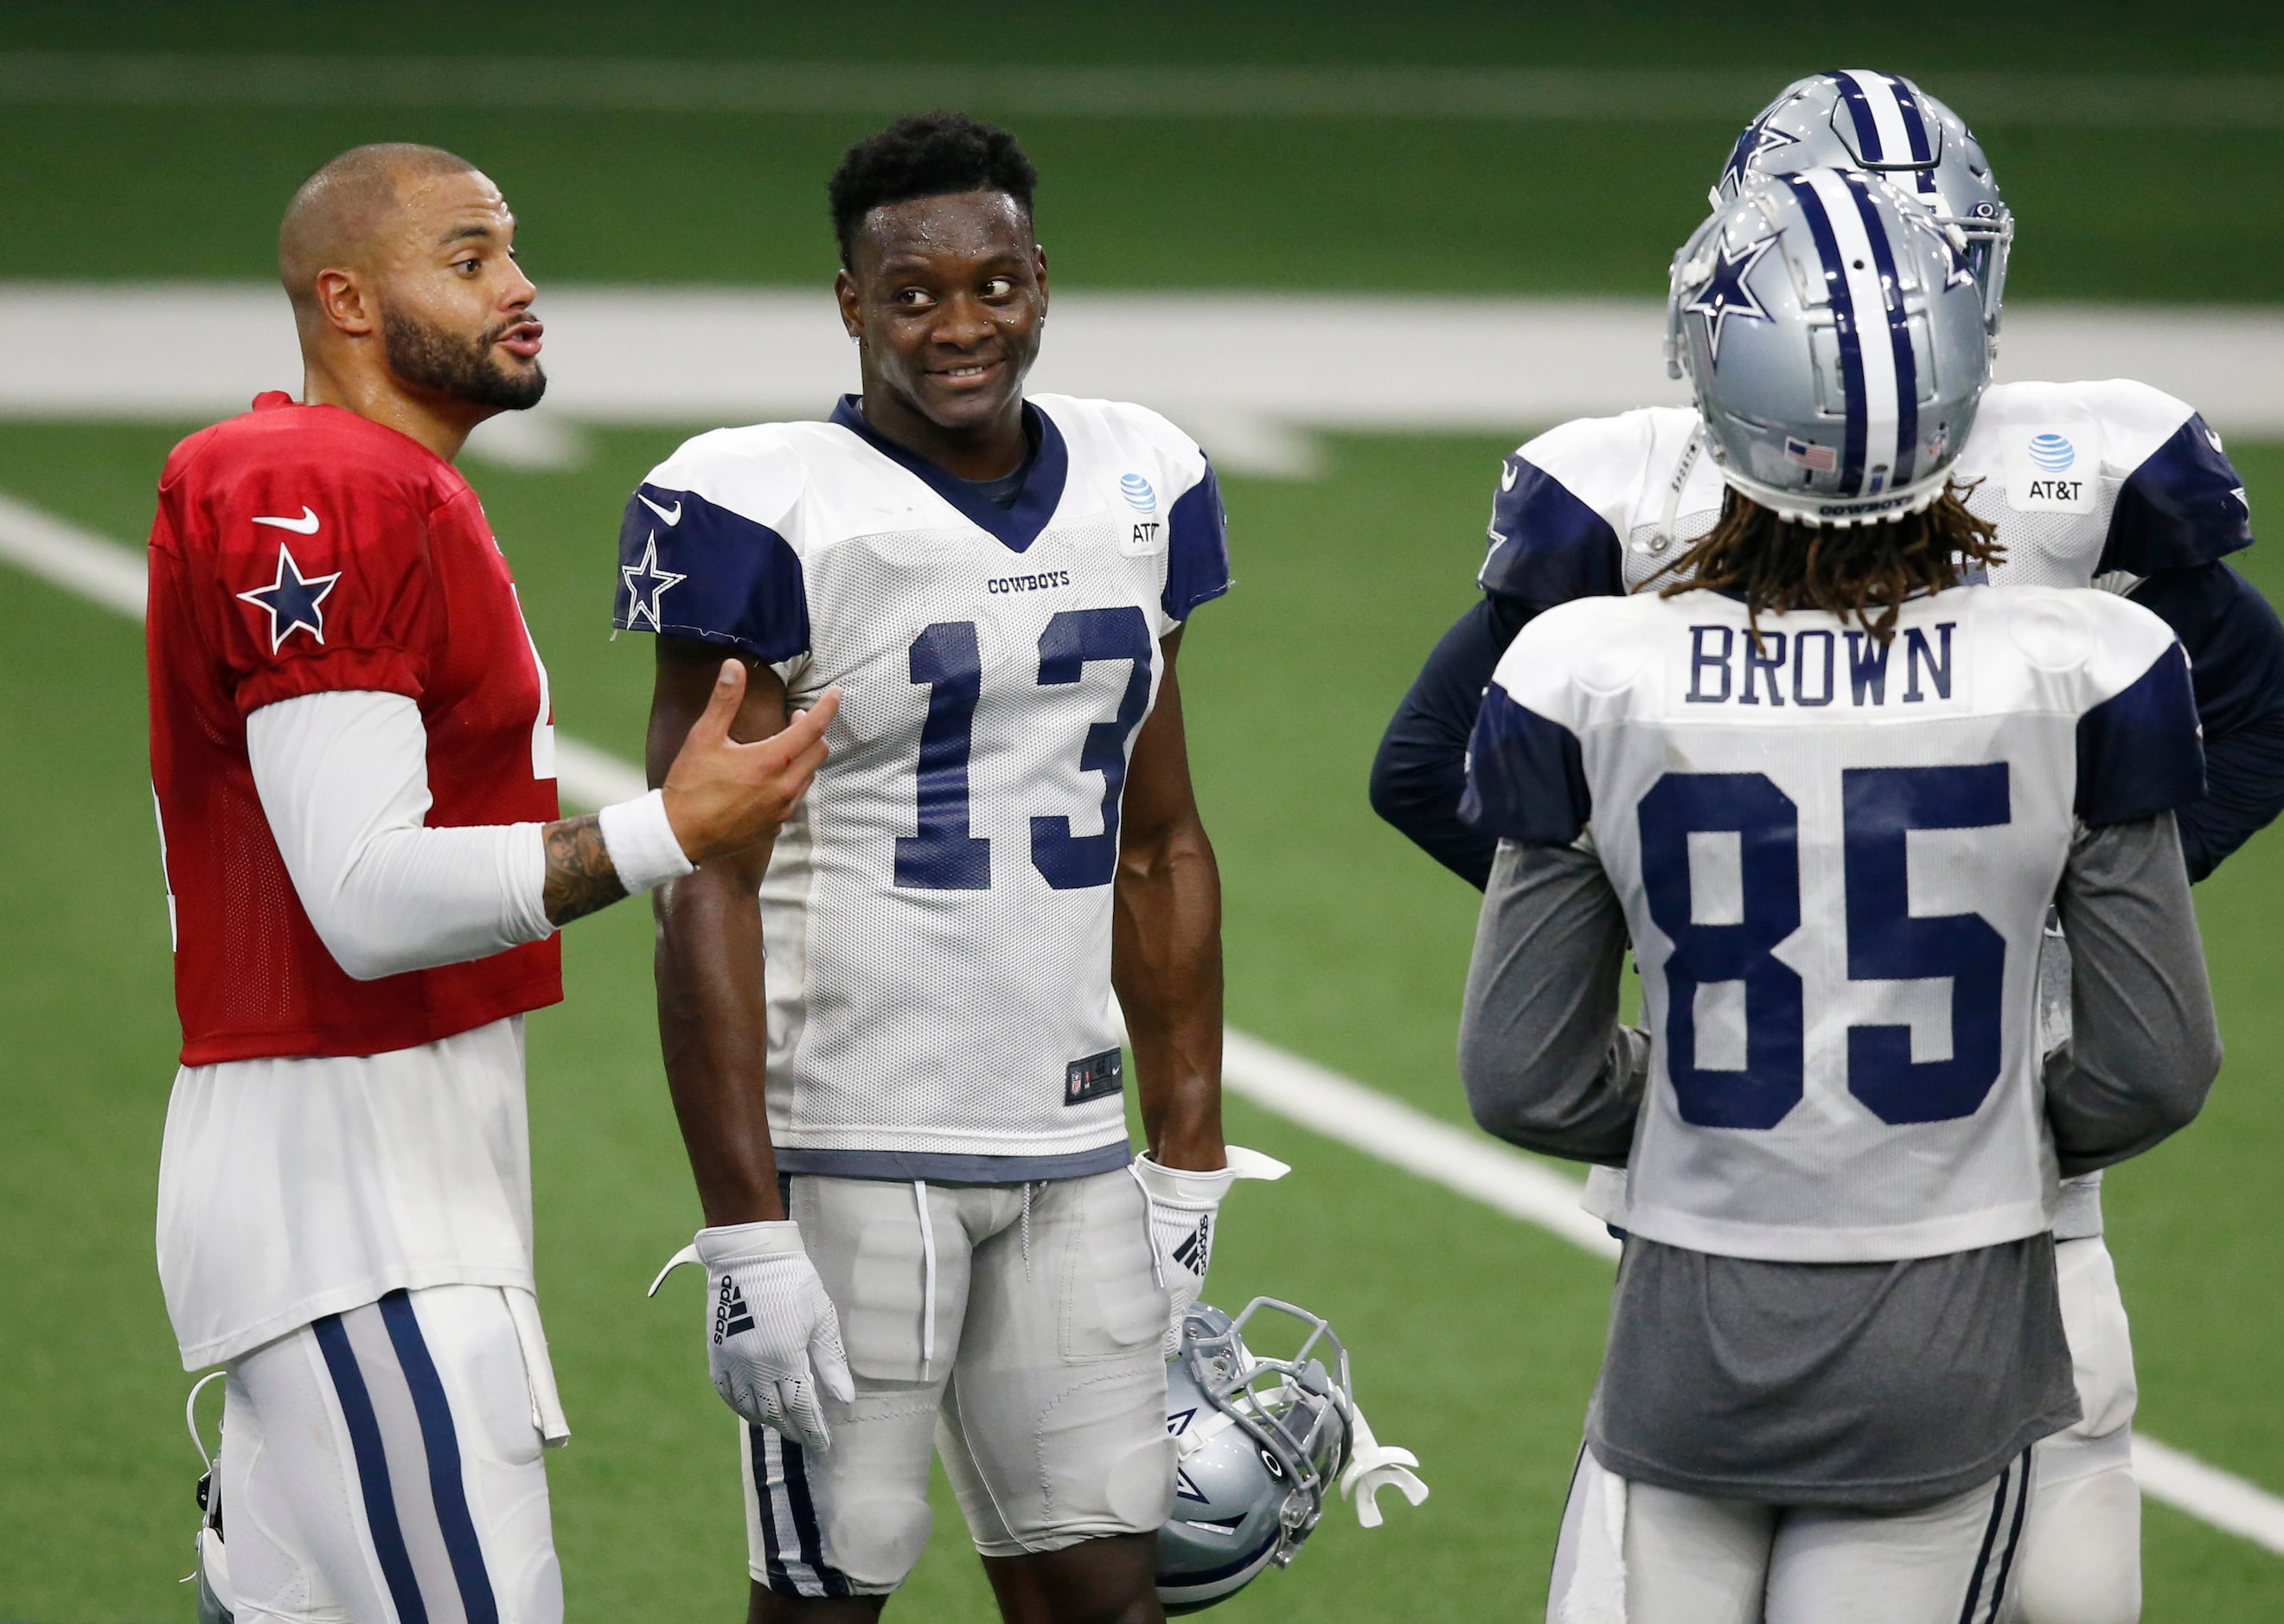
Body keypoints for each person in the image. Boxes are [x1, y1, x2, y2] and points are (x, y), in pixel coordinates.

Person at [1370, 72, 2284, 1622]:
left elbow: (1428, 775)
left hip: (1737, 1221)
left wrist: (1712, 954)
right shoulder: (2081, 623)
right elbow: (2242, 732)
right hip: (1985, 1202)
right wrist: (2017, 927)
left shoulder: (1616, 557)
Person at [150, 143, 835, 1624]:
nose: (520, 287)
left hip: (397, 1174)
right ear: (345, 299)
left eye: (511, 252)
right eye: (467, 261)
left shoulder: (387, 484)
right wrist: (671, 828)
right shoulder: (309, 480)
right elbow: (364, 894)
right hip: (345, 1194)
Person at [614, 113, 1279, 1623]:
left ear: (1041, 281)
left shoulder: (1144, 476)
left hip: (1067, 1145)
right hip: (850, 1137)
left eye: (992, 285)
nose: (959, 323)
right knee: (833, 1587)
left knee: (1104, 1593)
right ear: (850, 303)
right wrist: (743, 1224)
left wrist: (1185, 1150)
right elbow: (699, 877)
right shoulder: (760, 502)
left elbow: (1158, 836)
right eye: (913, 293)